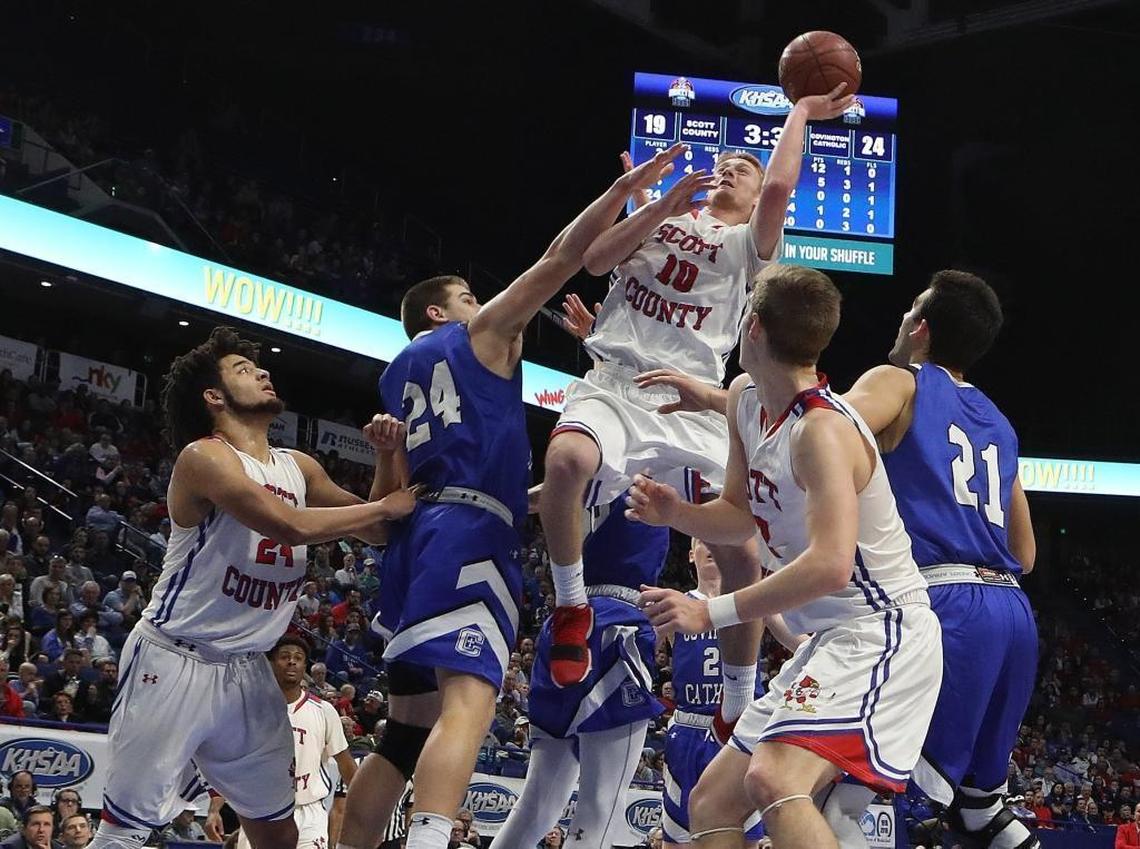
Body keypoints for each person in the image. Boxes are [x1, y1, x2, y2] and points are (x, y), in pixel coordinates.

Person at [333, 148, 683, 849]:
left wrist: (549, 493)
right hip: (467, 535)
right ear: (440, 310)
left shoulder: (396, 376)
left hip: (420, 534)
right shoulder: (478, 337)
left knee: (405, 729)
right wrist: (624, 190)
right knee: (471, 701)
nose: (482, 303)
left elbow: (418, 489)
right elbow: (563, 255)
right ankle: (431, 840)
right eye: (468, 296)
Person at [539, 89, 855, 757]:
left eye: (745, 167)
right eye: (728, 163)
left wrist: (798, 112)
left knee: (744, 552)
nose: (732, 170)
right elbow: (595, 261)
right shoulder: (664, 216)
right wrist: (656, 203)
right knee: (566, 462)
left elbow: (778, 190)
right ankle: (571, 604)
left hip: (689, 398)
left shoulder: (749, 246)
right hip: (618, 382)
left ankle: (738, 699)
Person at [629, 265, 942, 849]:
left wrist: (713, 611)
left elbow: (831, 565)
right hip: (830, 637)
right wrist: (676, 513)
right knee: (713, 800)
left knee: (774, 779)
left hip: (883, 630)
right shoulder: (747, 400)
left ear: (752, 329)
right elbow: (738, 513)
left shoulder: (823, 433)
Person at [84, 326, 417, 849]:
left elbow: (376, 529)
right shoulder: (205, 458)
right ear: (213, 397)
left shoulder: (298, 466)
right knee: (124, 831)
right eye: (243, 370)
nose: (262, 372)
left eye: (259, 367)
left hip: (248, 668)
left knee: (277, 832)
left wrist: (385, 456)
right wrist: (386, 506)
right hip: (175, 660)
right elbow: (290, 526)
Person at [841, 270, 1040, 849]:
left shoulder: (898, 382)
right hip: (1011, 613)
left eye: (909, 311)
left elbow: (823, 430)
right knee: (979, 811)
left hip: (945, 607)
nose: (901, 320)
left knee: (850, 791)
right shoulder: (999, 425)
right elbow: (1024, 553)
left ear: (921, 328)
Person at [495, 493, 668, 848]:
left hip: (567, 619)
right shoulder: (655, 459)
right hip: (619, 618)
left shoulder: (582, 460)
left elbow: (542, 497)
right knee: (601, 802)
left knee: (538, 803)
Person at [661, 540, 802, 848]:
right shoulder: (679, 603)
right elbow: (644, 645)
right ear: (690, 553)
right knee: (677, 840)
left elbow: (802, 645)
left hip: (740, 731)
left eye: (720, 540)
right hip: (689, 730)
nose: (712, 545)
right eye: (702, 540)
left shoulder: (753, 602)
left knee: (745, 837)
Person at [230, 634, 358, 849]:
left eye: (298, 658)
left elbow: (345, 763)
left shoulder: (323, 710)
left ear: (304, 666)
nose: (292, 661)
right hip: (261, 812)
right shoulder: (250, 708)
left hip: (308, 811)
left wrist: (365, 807)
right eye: (285, 656)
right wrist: (215, 809)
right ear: (270, 663)